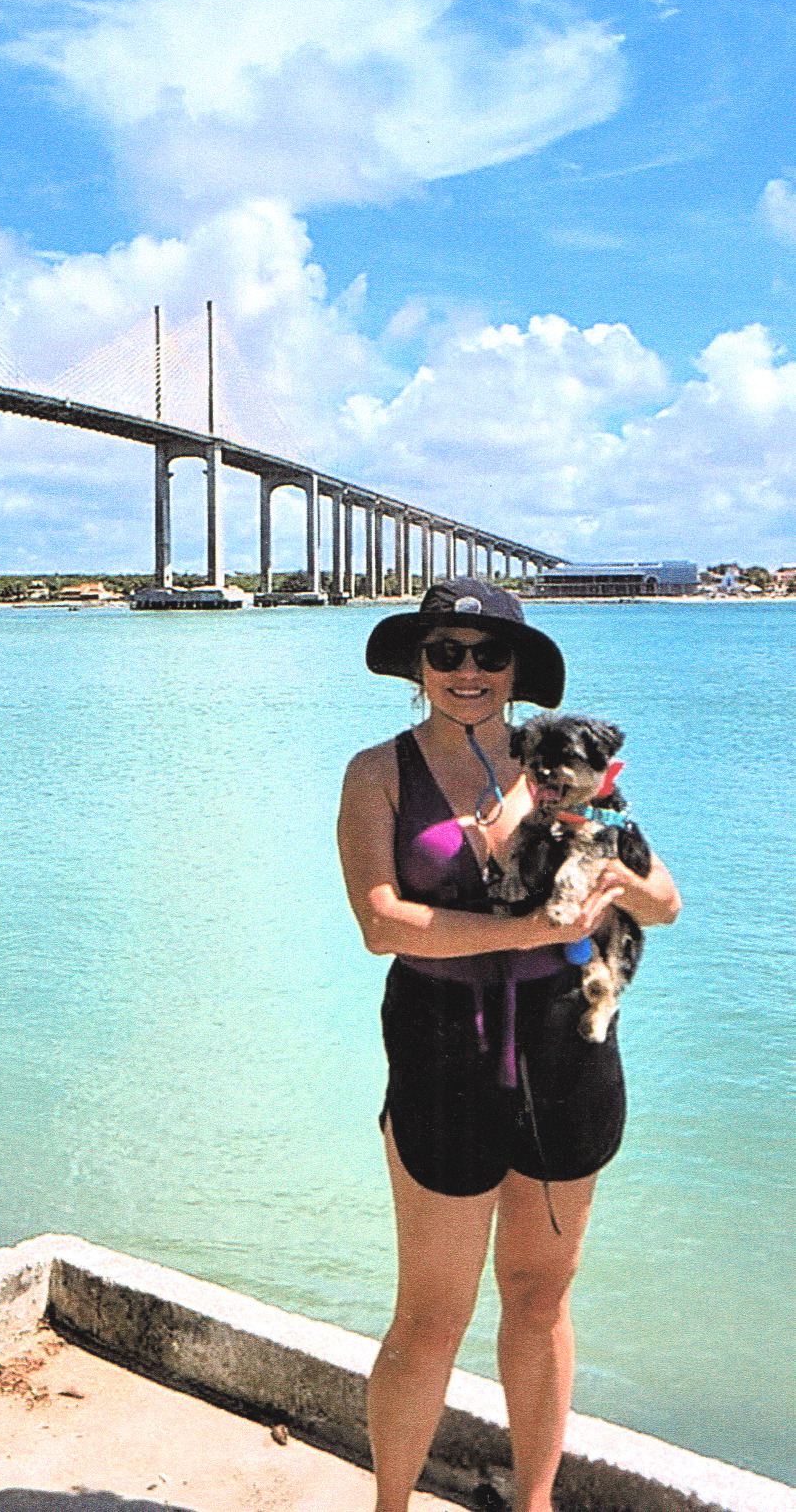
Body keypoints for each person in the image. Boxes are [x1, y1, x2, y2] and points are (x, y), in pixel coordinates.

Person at [337, 579, 681, 1512]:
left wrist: (620, 878)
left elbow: (665, 901)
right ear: (418, 665)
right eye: (446, 652)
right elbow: (383, 925)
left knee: (539, 1299)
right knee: (430, 1318)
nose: (469, 671)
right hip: (442, 1053)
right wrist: (532, 931)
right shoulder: (378, 772)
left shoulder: (567, 769)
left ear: (519, 672)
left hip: (569, 1052)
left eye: (490, 656)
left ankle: (535, 1505)